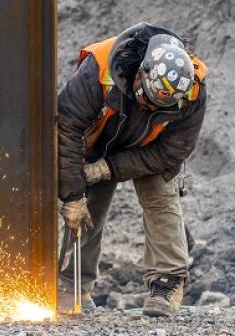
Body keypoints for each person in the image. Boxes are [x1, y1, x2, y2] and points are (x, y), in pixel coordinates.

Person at [57, 22, 209, 317]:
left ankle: (166, 285)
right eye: (147, 100)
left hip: (152, 147)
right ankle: (70, 286)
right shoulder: (98, 69)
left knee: (160, 197)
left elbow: (172, 151)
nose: (150, 108)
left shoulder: (191, 92)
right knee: (88, 206)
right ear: (140, 72)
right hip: (99, 137)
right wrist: (73, 195)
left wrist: (110, 169)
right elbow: (67, 126)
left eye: (158, 106)